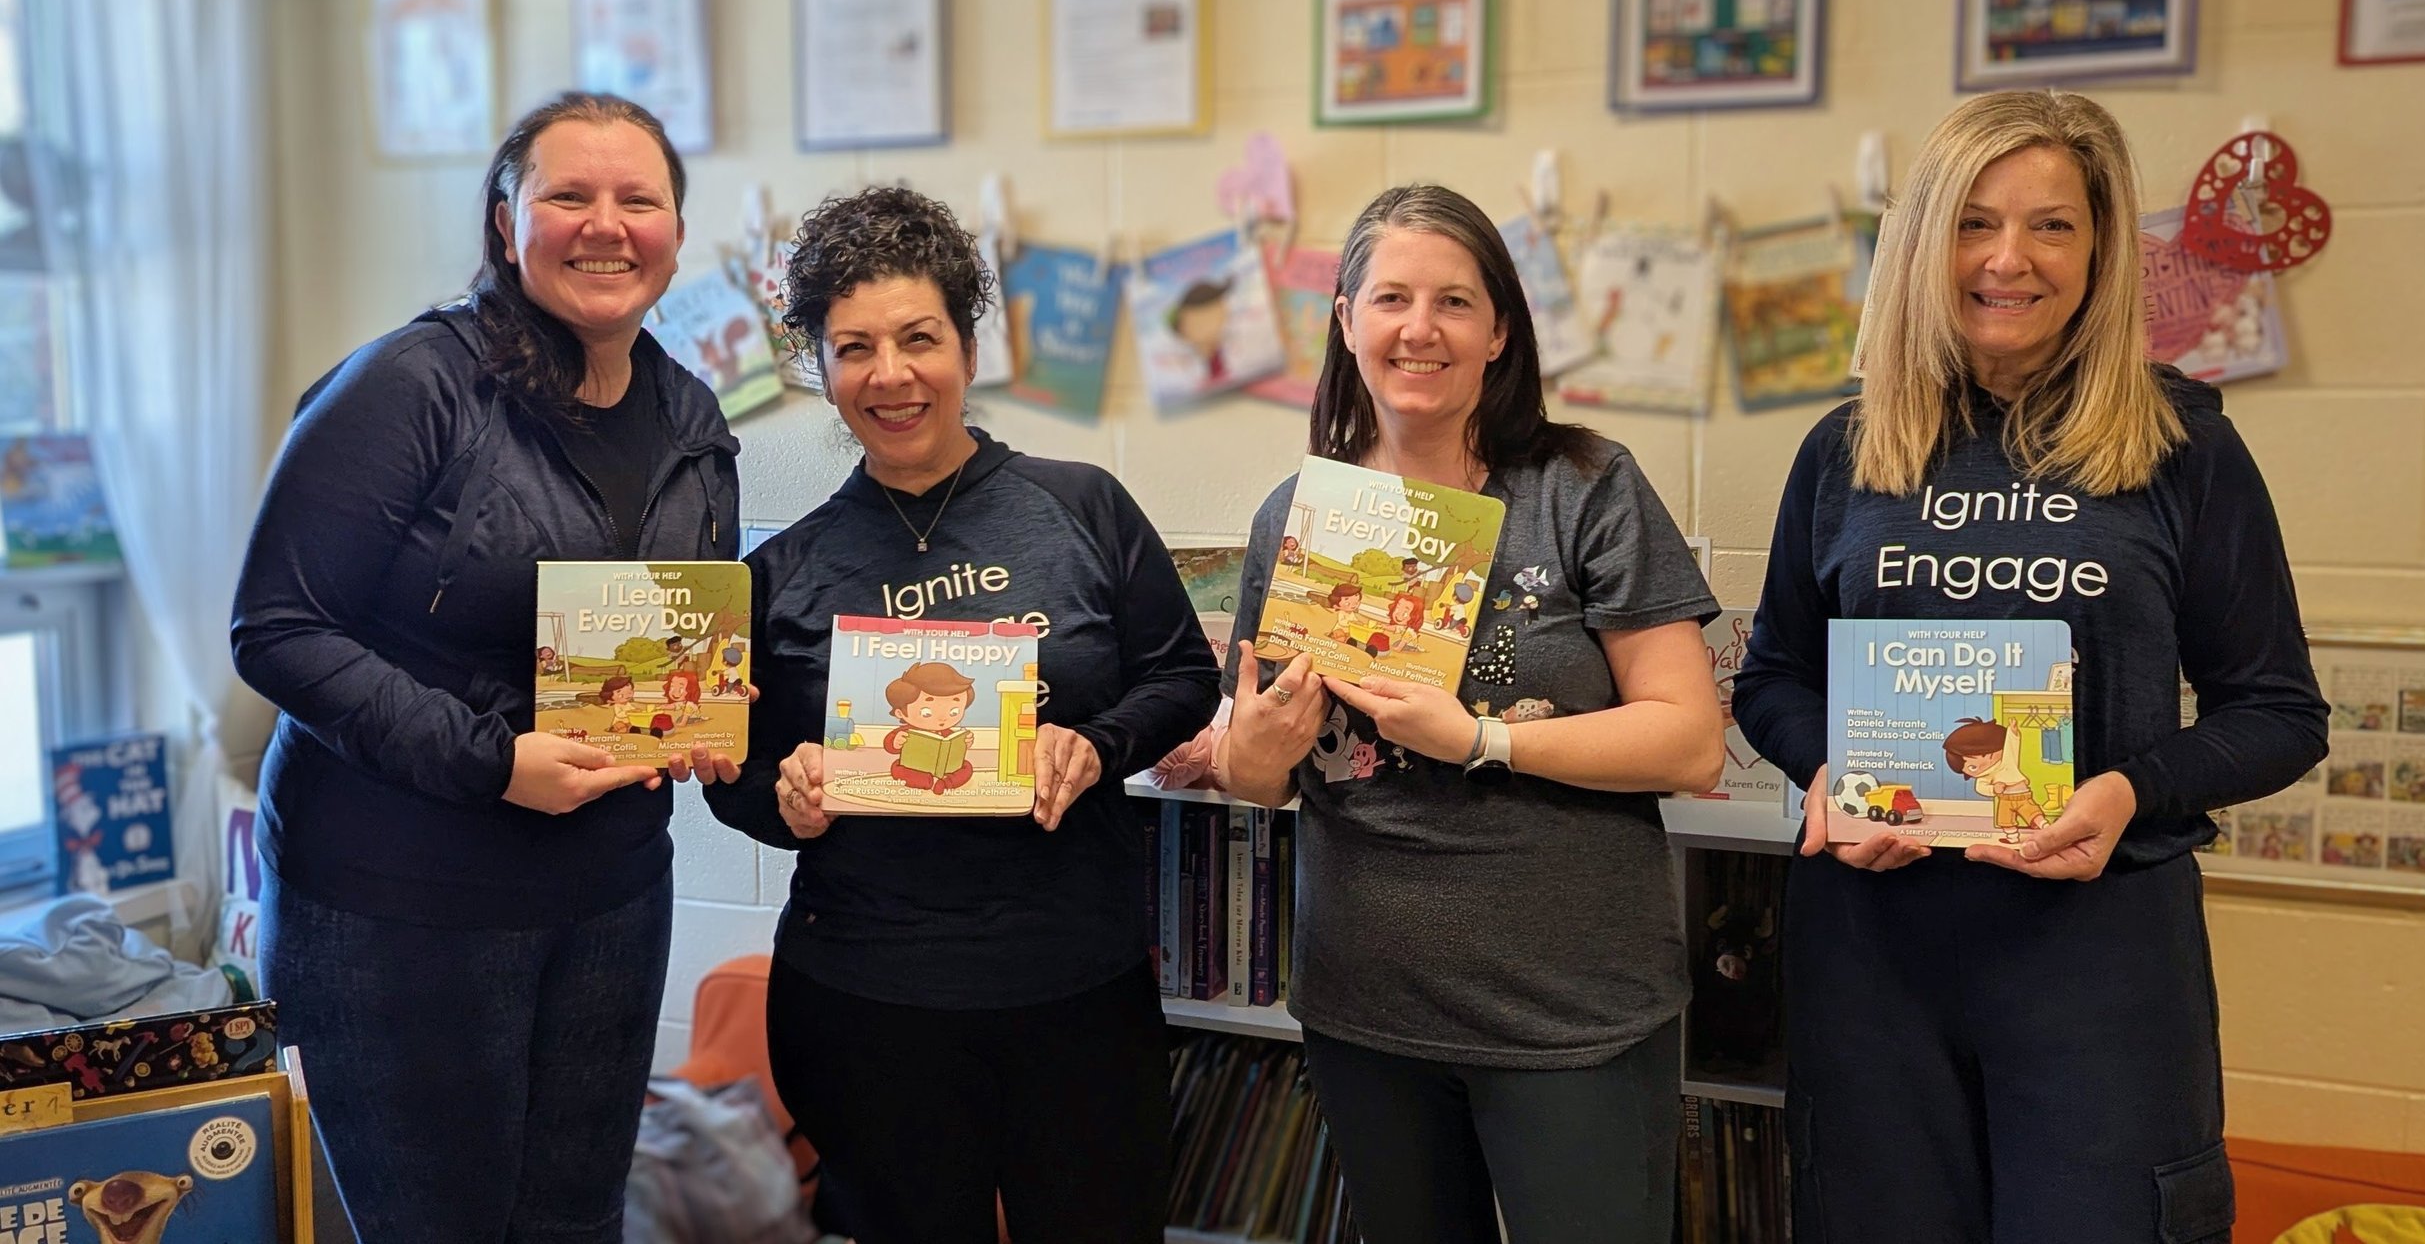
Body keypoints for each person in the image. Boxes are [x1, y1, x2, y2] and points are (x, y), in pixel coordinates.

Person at [1730, 89, 2329, 1244]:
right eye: (1973, 222)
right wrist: (1827, 773)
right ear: (1923, 243)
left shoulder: (2181, 446)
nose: (2008, 258)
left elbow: (2277, 711)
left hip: (2096, 951)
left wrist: (2128, 790)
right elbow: (1772, 678)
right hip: (1874, 947)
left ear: (2099, 250)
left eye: (2051, 225)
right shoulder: (1848, 445)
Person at [231, 93, 742, 1244]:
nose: (605, 224)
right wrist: (491, 760)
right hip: (399, 900)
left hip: (612, 891)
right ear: (507, 223)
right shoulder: (409, 384)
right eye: (568, 195)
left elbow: (674, 626)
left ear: (673, 231)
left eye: (638, 199)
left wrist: (703, 706)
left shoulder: (691, 413)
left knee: (578, 1222)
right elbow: (277, 627)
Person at [703, 185, 1218, 1244]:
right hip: (864, 1003)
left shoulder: (1082, 504)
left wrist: (1096, 742)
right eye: (853, 348)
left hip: (1077, 990)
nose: (889, 373)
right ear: (820, 369)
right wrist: (785, 796)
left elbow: (1180, 676)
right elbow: (736, 778)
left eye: (918, 337)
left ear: (968, 349)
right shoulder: (782, 569)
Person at [1215, 183, 1725, 1244]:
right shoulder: (1298, 518)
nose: (1421, 328)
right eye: (1391, 298)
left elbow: (1688, 740)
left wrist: (1481, 738)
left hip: (1570, 1012)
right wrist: (1250, 751)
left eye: (1454, 301)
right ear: (1344, 319)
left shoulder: (1581, 486)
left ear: (1499, 330)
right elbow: (1262, 777)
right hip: (1367, 1009)